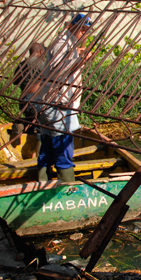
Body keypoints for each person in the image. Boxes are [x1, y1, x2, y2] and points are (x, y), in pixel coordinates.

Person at [33, 13, 92, 183]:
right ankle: (67, 186)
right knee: (63, 148)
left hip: (51, 103)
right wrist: (80, 60)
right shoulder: (62, 43)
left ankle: (42, 181)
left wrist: (77, 53)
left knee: (47, 145)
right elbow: (58, 68)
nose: (83, 32)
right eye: (81, 28)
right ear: (70, 26)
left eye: (86, 30)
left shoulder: (68, 42)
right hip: (57, 104)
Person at [11, 42, 46, 150]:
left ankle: (20, 125)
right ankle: (40, 160)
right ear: (40, 51)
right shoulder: (41, 64)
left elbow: (15, 82)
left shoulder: (21, 65)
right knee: (42, 126)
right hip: (35, 100)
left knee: (30, 122)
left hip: (23, 101)